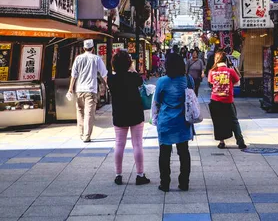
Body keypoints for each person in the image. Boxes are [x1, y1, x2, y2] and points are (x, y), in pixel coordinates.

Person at [108, 50, 150, 186]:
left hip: (119, 113)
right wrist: (131, 68)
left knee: (119, 144)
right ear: (128, 63)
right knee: (137, 144)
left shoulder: (111, 79)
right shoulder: (134, 77)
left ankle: (118, 175)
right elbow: (139, 81)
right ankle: (140, 174)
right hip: (135, 113)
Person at [153, 53, 195, 192]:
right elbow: (191, 96)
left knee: (164, 153)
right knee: (184, 152)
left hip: (166, 122)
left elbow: (157, 101)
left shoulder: (162, 81)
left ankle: (164, 183)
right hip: (183, 121)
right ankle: (184, 183)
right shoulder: (188, 79)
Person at [68, 39, 108, 143]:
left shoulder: (78, 59)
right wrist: (108, 85)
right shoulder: (96, 59)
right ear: (93, 48)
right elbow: (104, 74)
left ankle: (81, 134)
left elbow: (73, 75)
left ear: (83, 48)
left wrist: (70, 88)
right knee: (89, 113)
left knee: (80, 111)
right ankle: (86, 136)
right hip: (91, 90)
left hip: (79, 89)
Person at [208, 51, 247, 150]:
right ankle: (240, 141)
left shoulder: (212, 71)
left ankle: (222, 142)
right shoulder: (230, 71)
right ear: (226, 60)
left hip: (215, 99)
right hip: (228, 100)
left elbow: (211, 83)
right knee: (234, 121)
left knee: (218, 121)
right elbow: (238, 83)